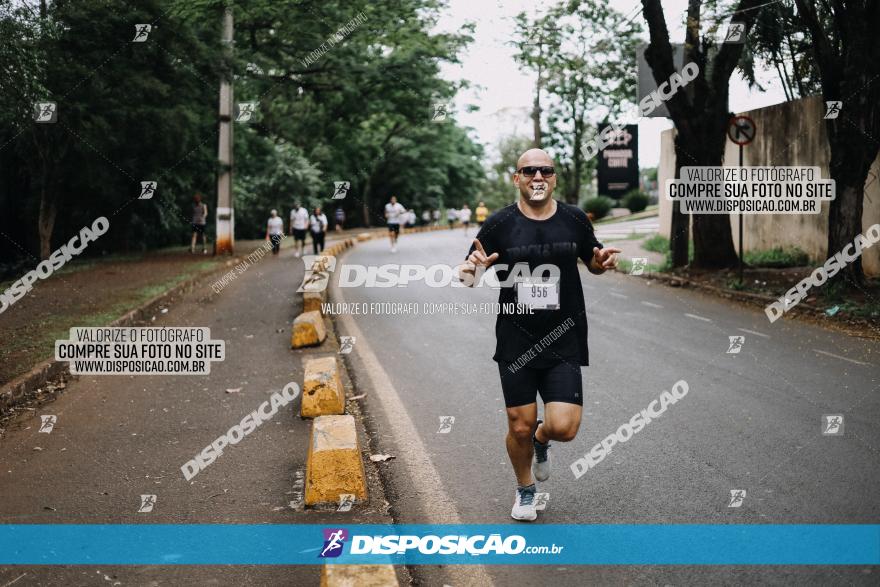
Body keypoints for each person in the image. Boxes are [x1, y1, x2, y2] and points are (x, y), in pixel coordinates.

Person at [458, 148, 621, 522]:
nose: (537, 176)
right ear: (516, 178)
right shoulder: (499, 225)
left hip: (564, 336)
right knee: (519, 423)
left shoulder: (575, 220)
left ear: (554, 178)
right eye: (528, 170)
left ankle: (542, 440)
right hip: (517, 339)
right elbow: (470, 274)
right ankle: (525, 489)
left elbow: (593, 262)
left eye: (545, 170)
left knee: (564, 427)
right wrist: (471, 269)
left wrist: (601, 262)